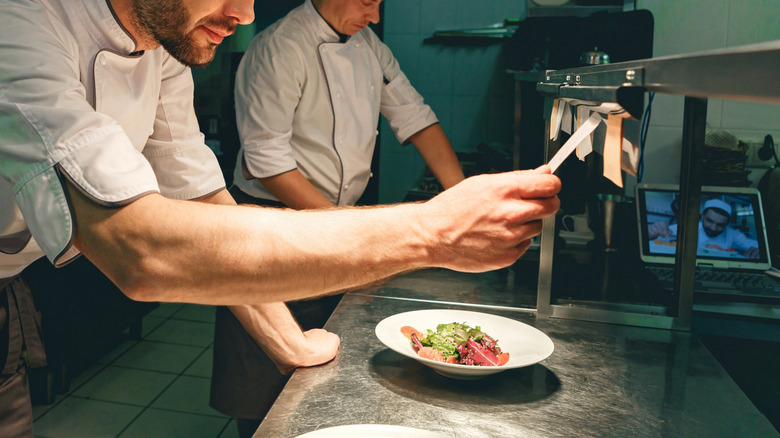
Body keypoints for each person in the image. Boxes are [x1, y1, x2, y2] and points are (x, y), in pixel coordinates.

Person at [0, 0, 560, 435]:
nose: (245, 14)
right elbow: (140, 251)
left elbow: (200, 198)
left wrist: (288, 340)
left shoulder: (163, 48)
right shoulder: (19, 24)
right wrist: (433, 231)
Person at [210, 0, 466, 433]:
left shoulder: (367, 45)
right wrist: (348, 232)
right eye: (368, 1)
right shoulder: (280, 46)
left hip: (330, 217)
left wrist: (462, 203)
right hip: (274, 224)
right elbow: (268, 164)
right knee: (262, 382)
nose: (376, 15)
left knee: (326, 372)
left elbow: (416, 118)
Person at [648, 199, 760, 259]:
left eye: (720, 225)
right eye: (710, 221)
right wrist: (650, 233)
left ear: (727, 224)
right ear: (702, 216)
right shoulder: (685, 229)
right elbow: (653, 239)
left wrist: (758, 250)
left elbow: (757, 246)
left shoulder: (732, 235)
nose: (713, 228)